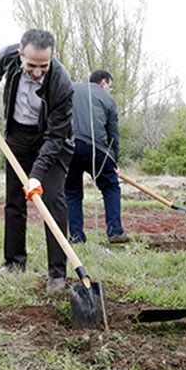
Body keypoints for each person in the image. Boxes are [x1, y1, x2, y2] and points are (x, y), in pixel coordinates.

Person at [0, 29, 75, 294]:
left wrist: (37, 173)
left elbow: (56, 136)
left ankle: (57, 274)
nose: (38, 71)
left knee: (52, 201)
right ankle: (14, 262)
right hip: (18, 136)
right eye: (32, 65)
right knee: (15, 200)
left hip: (51, 142)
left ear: (51, 58)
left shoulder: (62, 83)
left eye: (44, 65)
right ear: (20, 55)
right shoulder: (8, 57)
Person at [64, 70, 130, 244]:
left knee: (72, 193)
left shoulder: (69, 89)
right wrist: (115, 160)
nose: (109, 89)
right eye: (110, 86)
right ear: (103, 82)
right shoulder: (106, 98)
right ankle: (115, 231)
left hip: (68, 147)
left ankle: (77, 237)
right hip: (97, 148)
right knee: (110, 187)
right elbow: (113, 133)